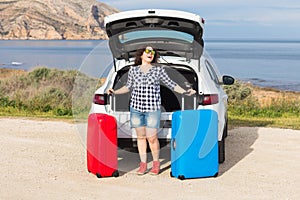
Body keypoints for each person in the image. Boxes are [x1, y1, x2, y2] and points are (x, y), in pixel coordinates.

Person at [107, 45, 196, 175]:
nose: (151, 54)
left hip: (152, 109)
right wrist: (115, 92)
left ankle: (156, 163)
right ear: (141, 54)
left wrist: (185, 92)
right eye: (148, 51)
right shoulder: (133, 70)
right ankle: (143, 164)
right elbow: (128, 87)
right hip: (136, 108)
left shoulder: (158, 70)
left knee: (152, 138)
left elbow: (171, 84)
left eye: (153, 52)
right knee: (141, 137)